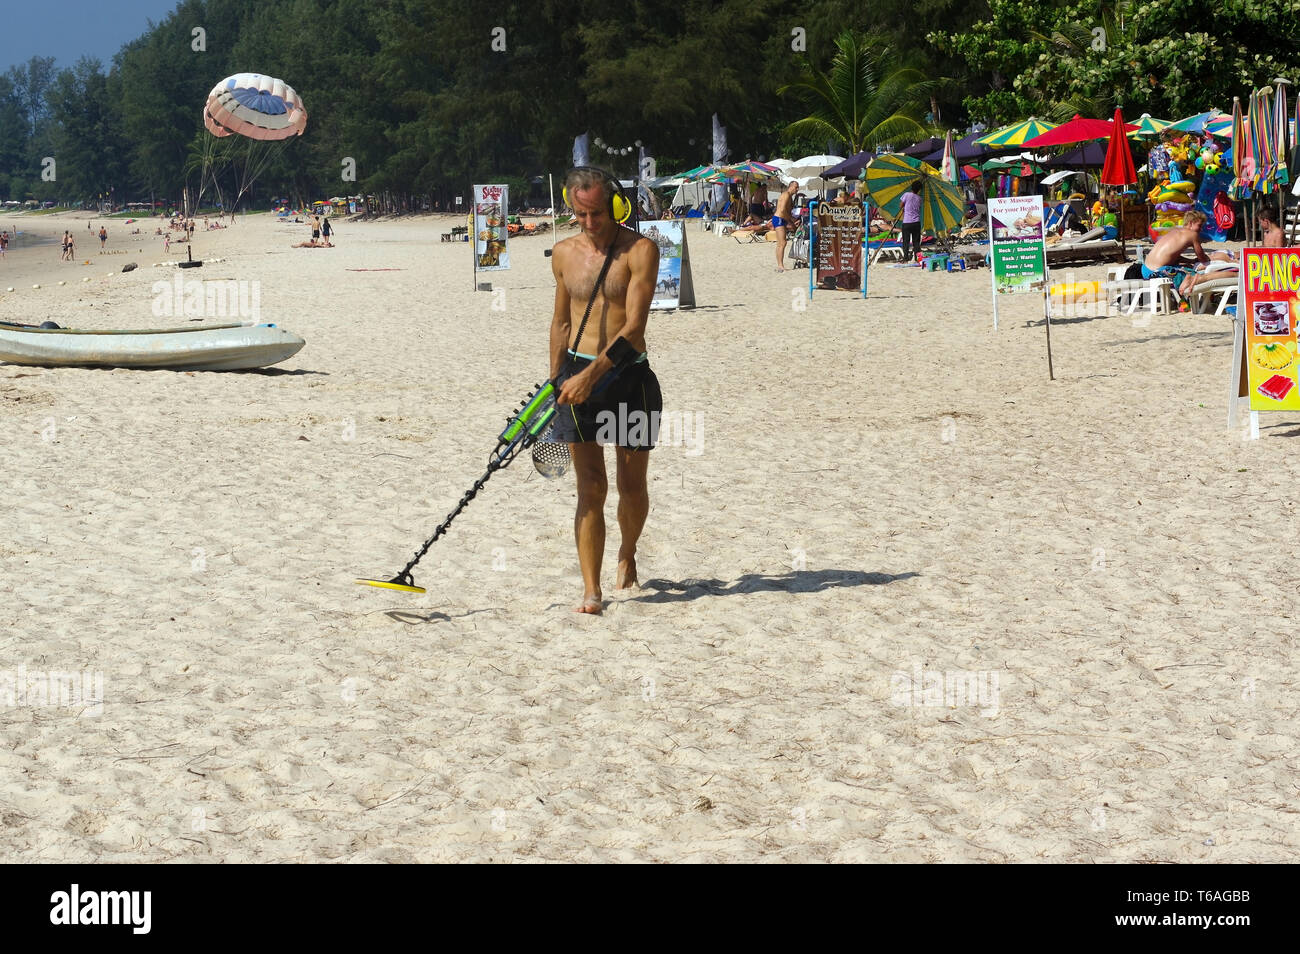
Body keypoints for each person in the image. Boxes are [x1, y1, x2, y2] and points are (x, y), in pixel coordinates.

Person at [549, 167, 661, 615]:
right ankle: (591, 591)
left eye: (597, 213)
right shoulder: (562, 253)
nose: (590, 222)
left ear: (614, 205)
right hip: (575, 379)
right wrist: (555, 380)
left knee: (630, 486)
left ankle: (628, 552)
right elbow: (560, 323)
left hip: (627, 377)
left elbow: (634, 328)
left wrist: (591, 376)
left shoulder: (640, 250)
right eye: (580, 214)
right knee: (590, 487)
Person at [1178, 206, 1285, 298]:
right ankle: (1198, 276)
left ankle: (1198, 278)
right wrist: (1248, 252)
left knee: (1231, 268)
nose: (1260, 224)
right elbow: (1265, 248)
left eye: (1260, 221)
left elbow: (1279, 255)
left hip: (1267, 265)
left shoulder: (1279, 233)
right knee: (1229, 262)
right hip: (1260, 260)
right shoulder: (1267, 234)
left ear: (1266, 221)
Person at [1143, 209, 1210, 286]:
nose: (1201, 229)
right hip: (1157, 272)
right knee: (1197, 277)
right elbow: (1202, 258)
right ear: (1191, 223)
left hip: (1145, 270)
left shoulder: (1174, 231)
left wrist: (1190, 261)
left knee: (1185, 267)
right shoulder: (1193, 234)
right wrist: (1208, 259)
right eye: (1199, 225)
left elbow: (1172, 257)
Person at [772, 179, 798, 272]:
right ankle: (780, 265)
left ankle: (780, 265)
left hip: (782, 219)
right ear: (790, 186)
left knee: (782, 243)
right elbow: (782, 210)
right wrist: (790, 220)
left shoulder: (789, 197)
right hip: (779, 219)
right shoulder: (786, 195)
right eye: (796, 187)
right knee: (782, 243)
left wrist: (792, 221)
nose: (797, 189)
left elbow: (787, 211)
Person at [899, 180, 922, 259]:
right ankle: (917, 258)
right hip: (916, 222)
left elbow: (901, 205)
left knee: (906, 241)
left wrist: (904, 208)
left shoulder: (906, 194)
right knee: (916, 242)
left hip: (907, 222)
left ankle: (905, 258)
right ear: (919, 190)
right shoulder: (919, 198)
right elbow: (917, 208)